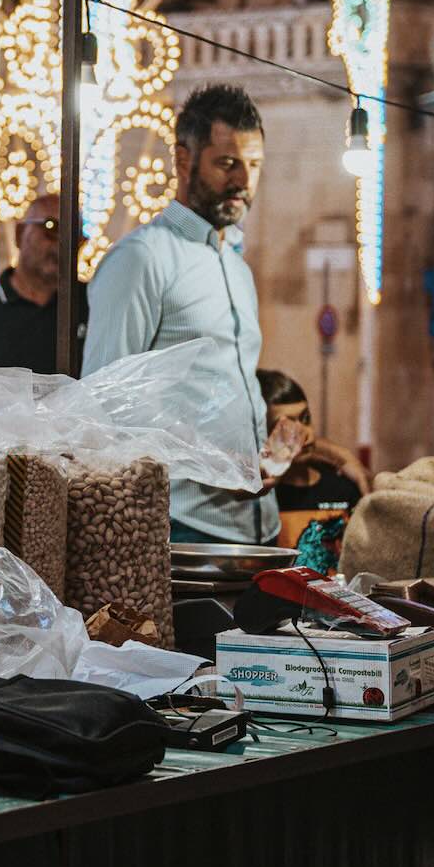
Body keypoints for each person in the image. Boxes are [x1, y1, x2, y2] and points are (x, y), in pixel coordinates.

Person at [83, 83, 273, 542]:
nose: (243, 182)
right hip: (183, 522)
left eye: (254, 166)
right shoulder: (143, 258)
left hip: (257, 523)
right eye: (227, 164)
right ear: (184, 160)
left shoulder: (235, 263)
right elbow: (105, 403)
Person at [0, 192, 85, 375]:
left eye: (74, 236)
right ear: (20, 234)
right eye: (51, 228)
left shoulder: (92, 304)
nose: (62, 243)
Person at [258, 369, 368, 573]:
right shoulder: (262, 498)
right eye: (287, 426)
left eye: (306, 418)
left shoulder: (341, 486)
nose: (304, 433)